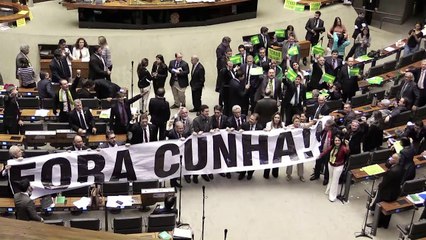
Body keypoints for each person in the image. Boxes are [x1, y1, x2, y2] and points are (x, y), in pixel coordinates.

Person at [369, 153, 403, 228]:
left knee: (381, 208)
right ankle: (385, 224)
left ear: (396, 160)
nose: (391, 159)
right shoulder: (400, 167)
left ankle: (377, 224)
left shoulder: (393, 171)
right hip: (395, 191)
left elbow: (385, 182)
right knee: (389, 210)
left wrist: (379, 186)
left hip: (387, 192)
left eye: (393, 158)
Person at [316, 135, 349, 202]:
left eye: (338, 140)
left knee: (335, 181)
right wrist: (319, 156)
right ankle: (328, 190)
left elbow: (347, 152)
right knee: (330, 178)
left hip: (338, 166)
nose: (337, 142)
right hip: (330, 164)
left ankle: (332, 196)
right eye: (335, 140)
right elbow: (326, 151)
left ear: (341, 141)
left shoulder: (343, 148)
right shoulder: (332, 147)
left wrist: (347, 145)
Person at [286, 115, 315, 182]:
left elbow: (308, 125)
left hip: (300, 147)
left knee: (301, 161)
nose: (297, 123)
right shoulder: (289, 127)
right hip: (292, 147)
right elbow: (283, 130)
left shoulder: (301, 125)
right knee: (290, 161)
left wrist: (315, 121)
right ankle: (288, 174)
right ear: (293, 121)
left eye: (298, 121)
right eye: (296, 121)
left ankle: (301, 175)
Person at [311, 119, 340, 185]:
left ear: (331, 127)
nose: (325, 126)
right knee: (318, 162)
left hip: (330, 151)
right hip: (322, 149)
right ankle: (316, 175)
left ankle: (326, 179)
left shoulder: (336, 132)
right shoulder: (324, 131)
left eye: (326, 126)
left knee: (327, 166)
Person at [191, 105, 213, 183]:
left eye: (208, 111)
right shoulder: (196, 120)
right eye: (206, 111)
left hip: (208, 143)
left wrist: (212, 130)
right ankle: (195, 175)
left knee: (208, 159)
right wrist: (198, 132)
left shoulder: (210, 119)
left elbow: (211, 127)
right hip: (199, 144)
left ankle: (206, 173)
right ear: (201, 112)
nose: (208, 113)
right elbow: (195, 131)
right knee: (199, 160)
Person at [240, 113, 263, 180]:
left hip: (254, 148)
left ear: (256, 121)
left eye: (252, 119)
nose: (250, 120)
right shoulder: (244, 124)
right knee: (244, 161)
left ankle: (250, 174)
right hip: (245, 146)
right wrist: (240, 130)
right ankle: (242, 173)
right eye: (250, 118)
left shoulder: (260, 127)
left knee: (253, 161)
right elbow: (238, 130)